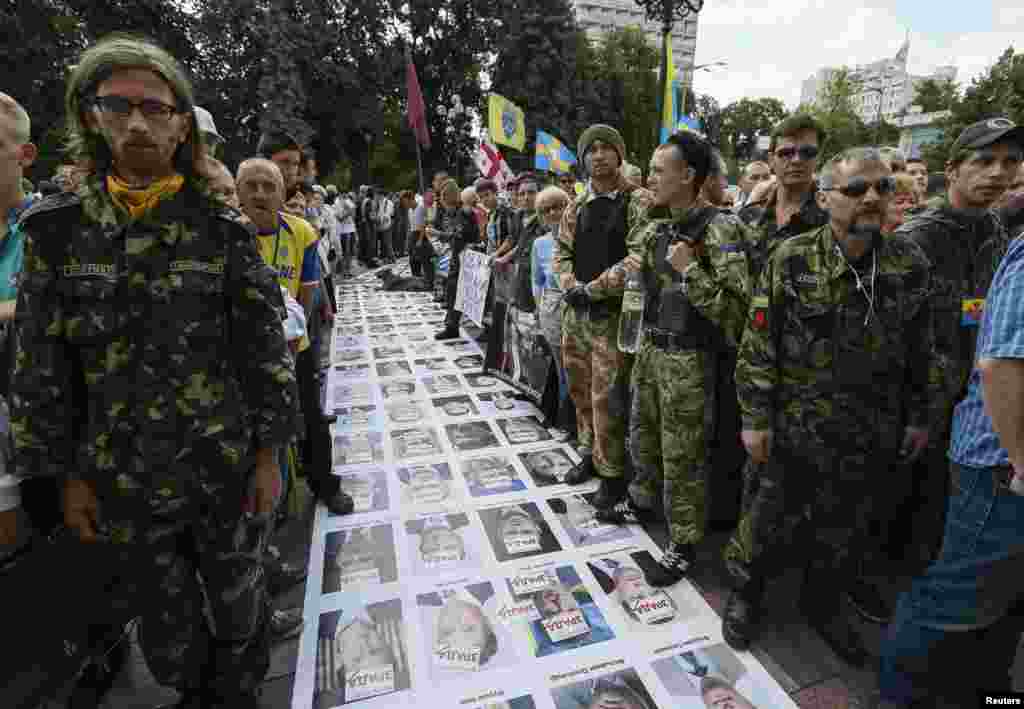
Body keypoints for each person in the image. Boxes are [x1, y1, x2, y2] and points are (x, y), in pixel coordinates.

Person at [10, 36, 299, 707]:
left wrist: (268, 455)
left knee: (238, 612)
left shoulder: (221, 231)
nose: (137, 122)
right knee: (168, 637)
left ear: (180, 123)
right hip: (121, 483)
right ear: (90, 116)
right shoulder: (55, 233)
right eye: (118, 104)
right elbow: (39, 366)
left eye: (154, 107)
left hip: (221, 470)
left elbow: (263, 351)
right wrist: (65, 479)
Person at [721, 148, 933, 667]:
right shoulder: (791, 258)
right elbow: (758, 345)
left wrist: (920, 415)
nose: (872, 199)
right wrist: (754, 419)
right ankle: (747, 595)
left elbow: (923, 349)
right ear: (825, 198)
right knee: (764, 521)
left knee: (846, 525)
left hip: (870, 427)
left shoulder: (909, 263)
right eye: (856, 189)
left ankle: (823, 604)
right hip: (793, 424)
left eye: (883, 188)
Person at [877, 234, 1024, 708]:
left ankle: (987, 692)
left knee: (1004, 598)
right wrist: (1022, 458)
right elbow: (1001, 364)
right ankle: (899, 697)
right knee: (952, 594)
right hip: (1001, 465)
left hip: (1006, 460)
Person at [598, 132, 750, 587]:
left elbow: (737, 311)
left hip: (690, 360)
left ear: (688, 176)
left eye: (660, 170)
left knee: (683, 454)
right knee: (641, 434)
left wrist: (691, 272)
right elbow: (636, 281)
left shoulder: (721, 229)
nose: (650, 178)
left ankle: (683, 540)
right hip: (649, 348)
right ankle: (642, 499)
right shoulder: (654, 225)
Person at [892, 118, 1024, 580]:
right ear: (951, 169)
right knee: (905, 507)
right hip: (921, 406)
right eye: (984, 161)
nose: (998, 173)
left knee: (943, 514)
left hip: (973, 404)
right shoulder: (916, 238)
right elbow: (892, 339)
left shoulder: (996, 230)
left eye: (1009, 162)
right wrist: (915, 414)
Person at [236, 157, 354, 518]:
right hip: (240, 352)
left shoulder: (301, 231)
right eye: (251, 186)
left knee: (312, 418)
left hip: (291, 345)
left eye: (269, 186)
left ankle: (324, 483)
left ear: (282, 192)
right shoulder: (223, 233)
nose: (260, 193)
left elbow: (307, 291)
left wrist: (295, 338)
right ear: (237, 192)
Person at [553, 124, 646, 509]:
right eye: (592, 150)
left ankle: (612, 474)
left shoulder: (638, 201)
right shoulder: (576, 205)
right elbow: (560, 251)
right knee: (580, 390)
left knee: (608, 397)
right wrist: (570, 283)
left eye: (608, 149)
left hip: (613, 316)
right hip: (576, 315)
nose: (599, 155)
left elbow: (638, 257)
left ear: (619, 157)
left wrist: (594, 287)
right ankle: (590, 453)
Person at [532, 186, 572, 427]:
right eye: (547, 210)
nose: (554, 213)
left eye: (558, 206)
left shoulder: (578, 237)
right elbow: (536, 281)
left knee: (577, 366)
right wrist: (540, 309)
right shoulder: (539, 244)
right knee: (560, 367)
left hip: (576, 305)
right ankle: (564, 417)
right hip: (552, 309)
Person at [430, 178, 480, 340]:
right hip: (458, 256)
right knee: (452, 292)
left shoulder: (463, 212)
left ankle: (453, 326)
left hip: (467, 257)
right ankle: (451, 326)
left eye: (443, 198)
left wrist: (440, 235)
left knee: (463, 293)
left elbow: (459, 236)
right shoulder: (452, 212)